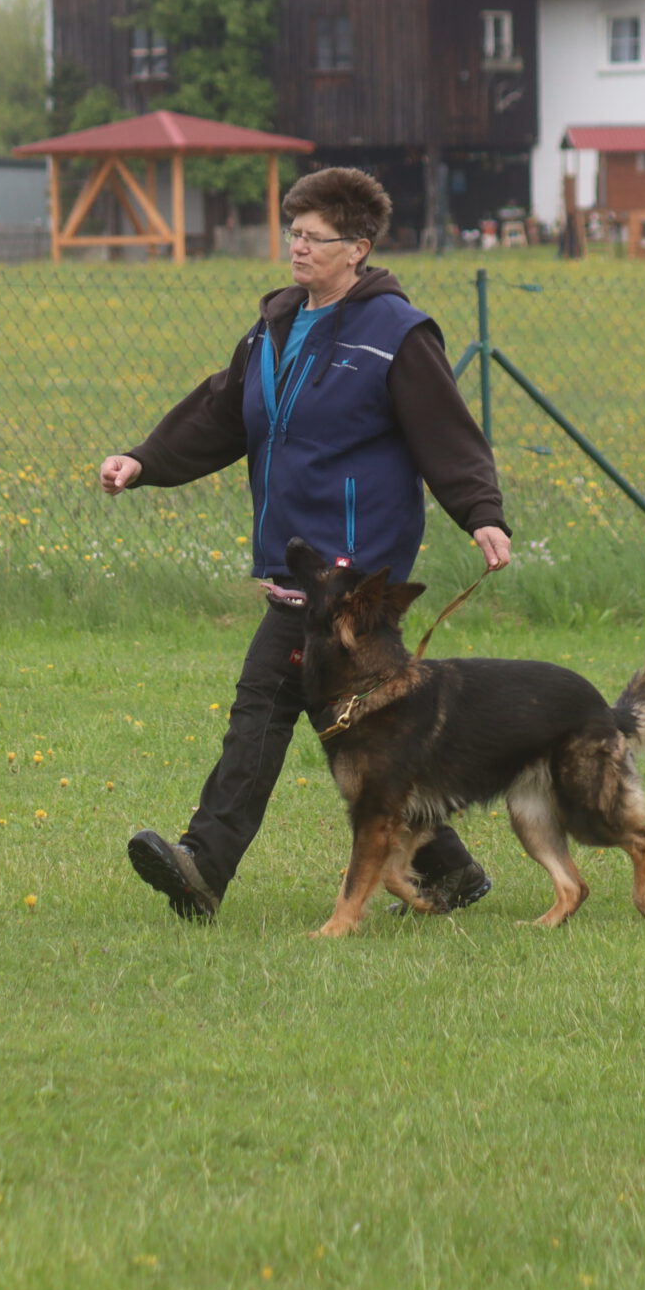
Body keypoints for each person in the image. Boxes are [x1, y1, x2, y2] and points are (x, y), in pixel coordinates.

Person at [97, 167, 512, 921]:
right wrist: (145, 459)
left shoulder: (396, 334)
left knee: (266, 707)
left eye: (314, 237)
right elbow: (220, 413)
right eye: (292, 232)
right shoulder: (274, 327)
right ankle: (449, 869)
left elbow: (447, 433)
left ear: (358, 248)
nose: (297, 247)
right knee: (362, 729)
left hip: (352, 581)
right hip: (297, 566)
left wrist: (482, 511)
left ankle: (203, 866)